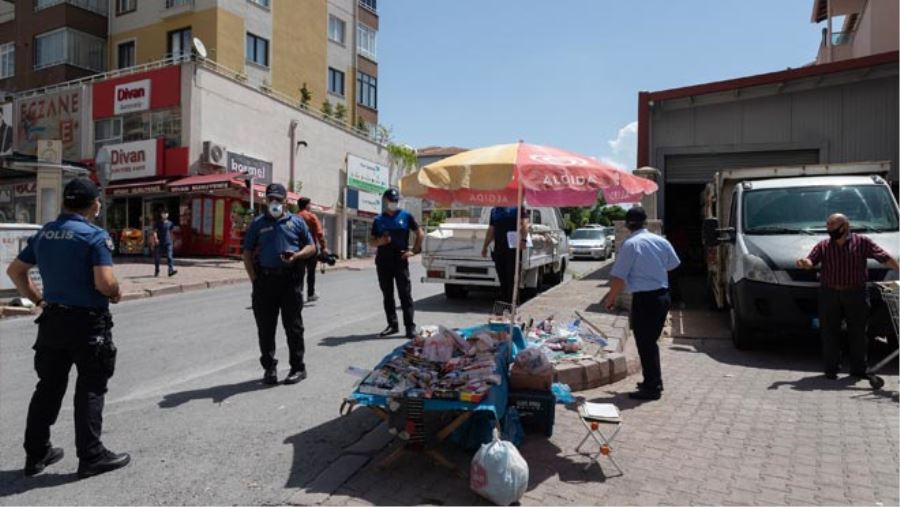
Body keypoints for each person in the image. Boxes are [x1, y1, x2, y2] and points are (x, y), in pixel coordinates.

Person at [5, 178, 131, 479]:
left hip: (53, 322)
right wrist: (115, 291)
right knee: (90, 387)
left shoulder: (45, 233)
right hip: (88, 325)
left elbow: (15, 271)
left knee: (48, 387)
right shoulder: (94, 236)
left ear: (64, 203)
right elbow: (104, 282)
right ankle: (91, 456)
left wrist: (39, 300)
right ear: (94, 205)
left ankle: (37, 453)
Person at [796, 213, 899, 380]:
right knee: (829, 332)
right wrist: (804, 263)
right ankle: (831, 369)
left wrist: (898, 269)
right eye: (828, 225)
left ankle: (859, 369)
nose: (829, 229)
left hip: (855, 293)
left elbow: (883, 257)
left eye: (833, 225)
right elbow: (811, 261)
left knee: (858, 332)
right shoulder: (823, 245)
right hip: (830, 293)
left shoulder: (862, 242)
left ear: (845, 226)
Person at [242, 183, 317, 386]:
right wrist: (255, 280)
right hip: (265, 281)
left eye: (278, 199)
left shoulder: (297, 222)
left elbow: (311, 246)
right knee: (265, 328)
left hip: (290, 280)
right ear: (266, 200)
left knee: (293, 326)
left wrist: (297, 255)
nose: (274, 202)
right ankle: (269, 368)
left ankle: (298, 367)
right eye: (271, 199)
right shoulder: (258, 224)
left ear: (285, 201)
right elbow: (247, 253)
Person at [603, 207, 680, 400]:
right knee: (650, 342)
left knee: (645, 343)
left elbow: (619, 277)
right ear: (645, 223)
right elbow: (673, 264)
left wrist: (611, 299)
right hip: (662, 296)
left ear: (627, 225)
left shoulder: (630, 244)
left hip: (645, 300)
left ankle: (652, 387)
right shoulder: (661, 241)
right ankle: (652, 381)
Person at [370, 188, 424, 339]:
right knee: (387, 295)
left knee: (405, 294)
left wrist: (414, 250)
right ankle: (392, 325)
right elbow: (372, 241)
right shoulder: (378, 219)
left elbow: (420, 233)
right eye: (391, 200)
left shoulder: (406, 216)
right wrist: (380, 241)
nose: (394, 203)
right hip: (383, 261)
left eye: (396, 200)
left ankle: (410, 327)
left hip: (400, 260)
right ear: (385, 201)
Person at [481, 207, 529, 304]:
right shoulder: (494, 211)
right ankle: (505, 303)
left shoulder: (518, 208)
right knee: (502, 279)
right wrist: (485, 246)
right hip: (499, 249)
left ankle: (513, 304)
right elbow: (491, 229)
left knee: (512, 279)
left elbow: (524, 224)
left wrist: (524, 240)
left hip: (513, 250)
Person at [296, 197, 326, 302]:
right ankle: (310, 294)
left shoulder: (294, 217)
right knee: (311, 272)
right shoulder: (311, 216)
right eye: (310, 204)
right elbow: (319, 233)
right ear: (307, 205)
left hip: (298, 250)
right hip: (311, 249)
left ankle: (298, 295)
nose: (311, 206)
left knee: (299, 273)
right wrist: (323, 247)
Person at [151, 208, 177, 277]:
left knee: (169, 257)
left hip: (168, 242)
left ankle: (170, 271)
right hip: (159, 243)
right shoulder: (158, 223)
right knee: (157, 258)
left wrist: (173, 240)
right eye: (163, 213)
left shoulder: (170, 223)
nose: (165, 214)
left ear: (168, 214)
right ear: (161, 214)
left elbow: (172, 232)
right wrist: (156, 239)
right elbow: (154, 232)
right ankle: (157, 270)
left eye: (166, 213)